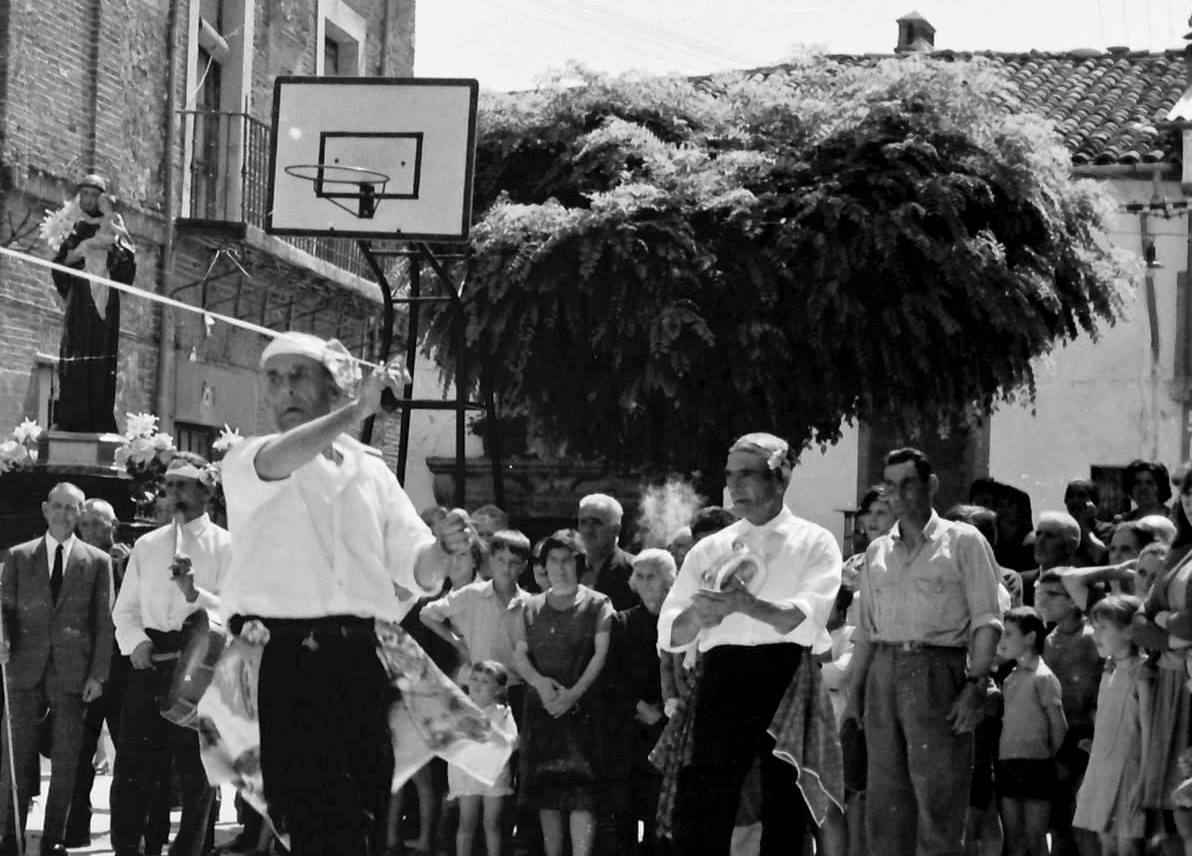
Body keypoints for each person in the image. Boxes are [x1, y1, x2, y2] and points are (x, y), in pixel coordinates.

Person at [218, 331, 472, 856]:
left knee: (365, 810)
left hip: (360, 658)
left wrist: (444, 548)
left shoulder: (371, 471)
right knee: (316, 816)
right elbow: (282, 459)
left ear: (332, 387)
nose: (286, 390)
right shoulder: (248, 458)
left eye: (299, 376)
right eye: (274, 379)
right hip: (284, 659)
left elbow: (416, 562)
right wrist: (355, 411)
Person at [658, 432, 842, 856]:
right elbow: (670, 633)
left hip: (785, 673)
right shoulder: (709, 548)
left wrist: (745, 605)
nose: (734, 486)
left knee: (785, 801)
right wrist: (700, 616)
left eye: (747, 474)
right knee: (706, 798)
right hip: (722, 675)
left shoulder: (815, 541)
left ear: (781, 478)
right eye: (729, 475)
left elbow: (804, 618)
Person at [847, 447, 1003, 856]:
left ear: (930, 485)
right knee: (885, 803)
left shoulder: (963, 542)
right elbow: (865, 632)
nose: (898, 495)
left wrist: (976, 685)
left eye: (908, 484)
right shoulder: (878, 551)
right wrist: (854, 696)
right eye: (890, 486)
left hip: (939, 672)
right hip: (883, 673)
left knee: (939, 800)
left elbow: (987, 620)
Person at [110, 453, 230, 856]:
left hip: (199, 664)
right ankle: (129, 846)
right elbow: (124, 610)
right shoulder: (147, 545)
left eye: (183, 485)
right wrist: (136, 642)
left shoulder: (225, 546)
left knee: (196, 775)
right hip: (150, 664)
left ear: (206, 492)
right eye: (170, 485)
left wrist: (195, 593)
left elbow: (236, 612)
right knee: (133, 768)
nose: (173, 493)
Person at [0, 482, 113, 856]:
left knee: (67, 761)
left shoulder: (97, 561)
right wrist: (2, 640)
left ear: (80, 514)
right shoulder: (19, 555)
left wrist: (98, 674)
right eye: (58, 506)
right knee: (14, 758)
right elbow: (4, 610)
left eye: (71, 508)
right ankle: (10, 836)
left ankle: (54, 838)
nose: (63, 514)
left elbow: (104, 622)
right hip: (23, 669)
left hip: (72, 673)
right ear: (45, 509)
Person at [511, 529, 614, 856]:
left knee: (581, 794)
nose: (559, 567)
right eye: (553, 560)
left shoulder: (598, 604)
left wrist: (573, 695)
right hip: (542, 709)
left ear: (579, 563)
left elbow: (600, 654)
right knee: (547, 792)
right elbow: (520, 655)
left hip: (581, 710)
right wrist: (540, 684)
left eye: (567, 560)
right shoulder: (530, 606)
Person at [64, 498, 141, 848]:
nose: (90, 530)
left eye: (98, 524)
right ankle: (75, 828)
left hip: (122, 673)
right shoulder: (74, 561)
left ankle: (127, 833)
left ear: (115, 527)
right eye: (85, 524)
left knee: (129, 756)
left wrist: (125, 568)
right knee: (78, 755)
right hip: (85, 672)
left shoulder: (131, 560)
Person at [603, 549, 676, 856]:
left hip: (668, 727)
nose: (645, 583)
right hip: (629, 727)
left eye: (652, 577)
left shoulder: (679, 621)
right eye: (640, 576)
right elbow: (610, 673)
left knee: (659, 809)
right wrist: (637, 706)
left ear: (668, 580)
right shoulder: (621, 622)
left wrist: (661, 711)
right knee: (624, 808)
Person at [50, 174, 136, 433]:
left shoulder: (113, 223)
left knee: (101, 354)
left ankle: (98, 417)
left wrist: (112, 252)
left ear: (102, 198)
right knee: (74, 353)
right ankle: (71, 416)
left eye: (93, 195)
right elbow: (60, 265)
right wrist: (79, 252)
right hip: (80, 300)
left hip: (104, 301)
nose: (88, 200)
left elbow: (127, 262)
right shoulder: (75, 227)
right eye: (84, 194)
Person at [1073, 595, 1149, 856]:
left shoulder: (1142, 672)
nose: (1095, 635)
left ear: (1129, 631)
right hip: (1103, 769)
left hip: (1130, 772)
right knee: (1106, 845)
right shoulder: (1109, 671)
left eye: (1103, 628)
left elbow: (1149, 732)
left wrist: (1143, 783)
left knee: (1128, 846)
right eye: (1094, 628)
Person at [1035, 570, 1103, 856]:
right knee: (1059, 827)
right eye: (1041, 593)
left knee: (1082, 825)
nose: (1043, 600)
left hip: (1085, 742)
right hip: (1055, 741)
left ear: (1074, 600)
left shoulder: (1091, 638)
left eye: (1052, 594)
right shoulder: (1049, 640)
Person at [995, 607, 1067, 856]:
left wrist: (1057, 761)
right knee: (1014, 840)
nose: (1002, 641)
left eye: (1008, 634)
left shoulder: (1043, 677)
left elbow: (1057, 723)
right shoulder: (1010, 678)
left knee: (1035, 838)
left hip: (1036, 765)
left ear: (1030, 637)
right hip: (1009, 764)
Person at [449, 661, 519, 856]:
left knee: (492, 823)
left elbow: (514, 742)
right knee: (466, 822)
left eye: (485, 681)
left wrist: (493, 731)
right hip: (467, 773)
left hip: (493, 774)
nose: (478, 685)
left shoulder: (502, 713)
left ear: (498, 689)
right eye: (475, 679)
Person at [577, 493, 638, 610]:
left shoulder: (635, 571)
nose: (587, 529)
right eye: (583, 522)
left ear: (616, 530)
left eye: (596, 523)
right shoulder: (567, 565)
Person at [1063, 479, 1110, 567]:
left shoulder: (1107, 529)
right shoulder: (1061, 531)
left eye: (1081, 496)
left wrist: (1082, 523)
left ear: (1093, 501)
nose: (1075, 500)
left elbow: (1099, 556)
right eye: (1071, 496)